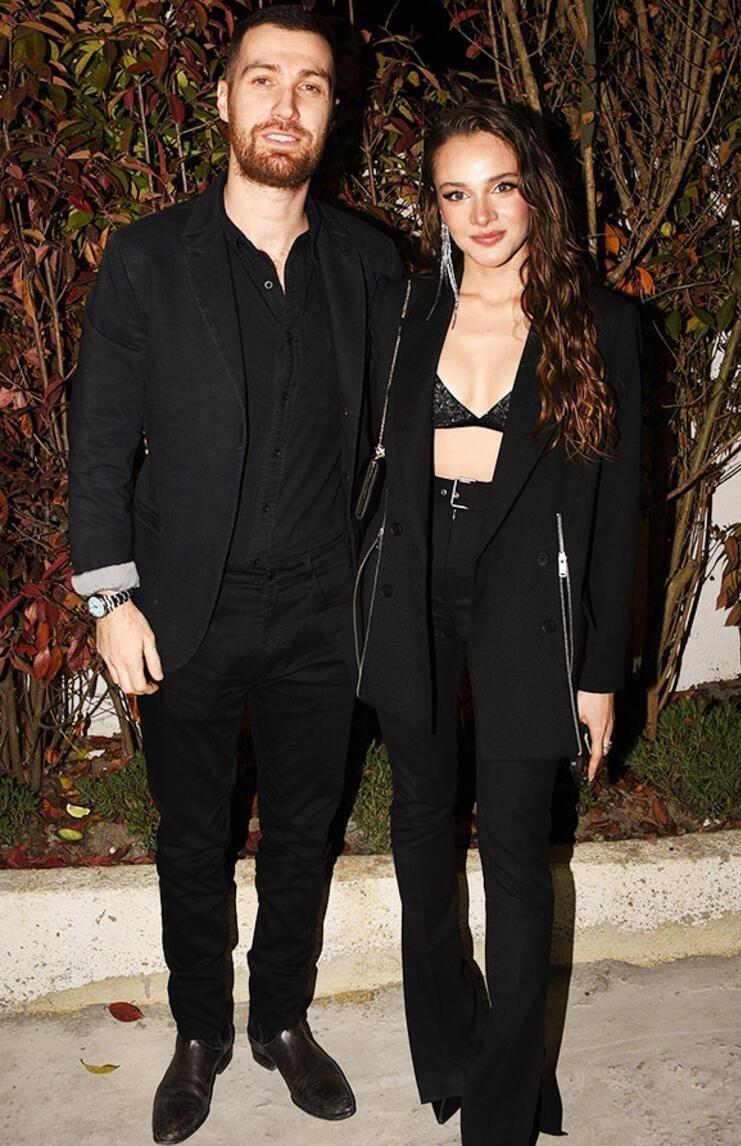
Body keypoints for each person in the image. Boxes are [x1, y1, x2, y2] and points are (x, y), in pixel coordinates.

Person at [67, 7, 400, 1143]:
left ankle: (282, 1021)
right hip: (182, 605)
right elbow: (99, 441)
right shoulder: (148, 258)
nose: (284, 104)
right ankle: (201, 1032)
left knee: (306, 830)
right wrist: (110, 598)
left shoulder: (369, 264)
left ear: (332, 111)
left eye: (309, 84)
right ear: (224, 100)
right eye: (262, 79)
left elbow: (400, 430)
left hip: (322, 606)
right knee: (191, 838)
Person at [354, 98, 642, 1145]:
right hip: (412, 585)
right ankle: (451, 1047)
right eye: (455, 193)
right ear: (434, 207)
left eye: (501, 187)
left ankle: (505, 1108)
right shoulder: (404, 316)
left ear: (535, 192)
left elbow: (616, 513)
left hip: (528, 598)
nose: (480, 214)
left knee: (518, 852)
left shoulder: (598, 324)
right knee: (421, 826)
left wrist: (599, 671)